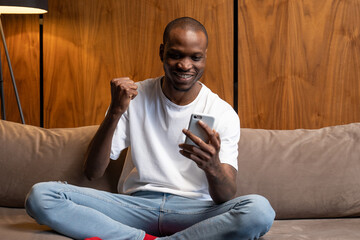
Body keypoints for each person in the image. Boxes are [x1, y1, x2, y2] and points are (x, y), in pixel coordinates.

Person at [25, 17, 275, 240]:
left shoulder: (222, 112)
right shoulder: (133, 97)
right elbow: (92, 171)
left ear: (204, 58)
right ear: (162, 52)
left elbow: (225, 196)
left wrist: (212, 167)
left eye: (195, 57)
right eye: (176, 55)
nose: (185, 65)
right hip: (135, 207)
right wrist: (114, 111)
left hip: (194, 212)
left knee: (260, 210)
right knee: (41, 196)